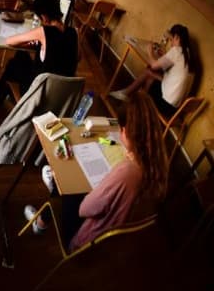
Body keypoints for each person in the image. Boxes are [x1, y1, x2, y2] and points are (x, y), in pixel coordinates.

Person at [24, 92, 169, 251]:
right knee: (71, 186)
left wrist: (103, 186)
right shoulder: (158, 164)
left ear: (126, 132)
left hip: (86, 244)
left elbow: (84, 208)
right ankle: (51, 191)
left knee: (66, 188)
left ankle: (41, 221)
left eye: (120, 130)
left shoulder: (127, 172)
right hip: (119, 244)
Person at [0, 0, 78, 115]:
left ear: (44, 17)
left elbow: (9, 41)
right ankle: (4, 96)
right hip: (62, 95)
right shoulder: (74, 32)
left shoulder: (43, 32)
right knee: (23, 57)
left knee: (13, 65)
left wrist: (36, 41)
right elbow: (78, 58)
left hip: (39, 94)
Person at [109, 24, 194, 118]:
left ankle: (135, 103)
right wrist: (165, 55)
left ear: (177, 37)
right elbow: (173, 70)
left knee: (149, 73)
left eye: (171, 39)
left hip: (165, 104)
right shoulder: (187, 53)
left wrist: (150, 52)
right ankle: (130, 98)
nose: (171, 43)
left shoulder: (176, 51)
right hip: (174, 108)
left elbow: (154, 65)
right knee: (151, 74)